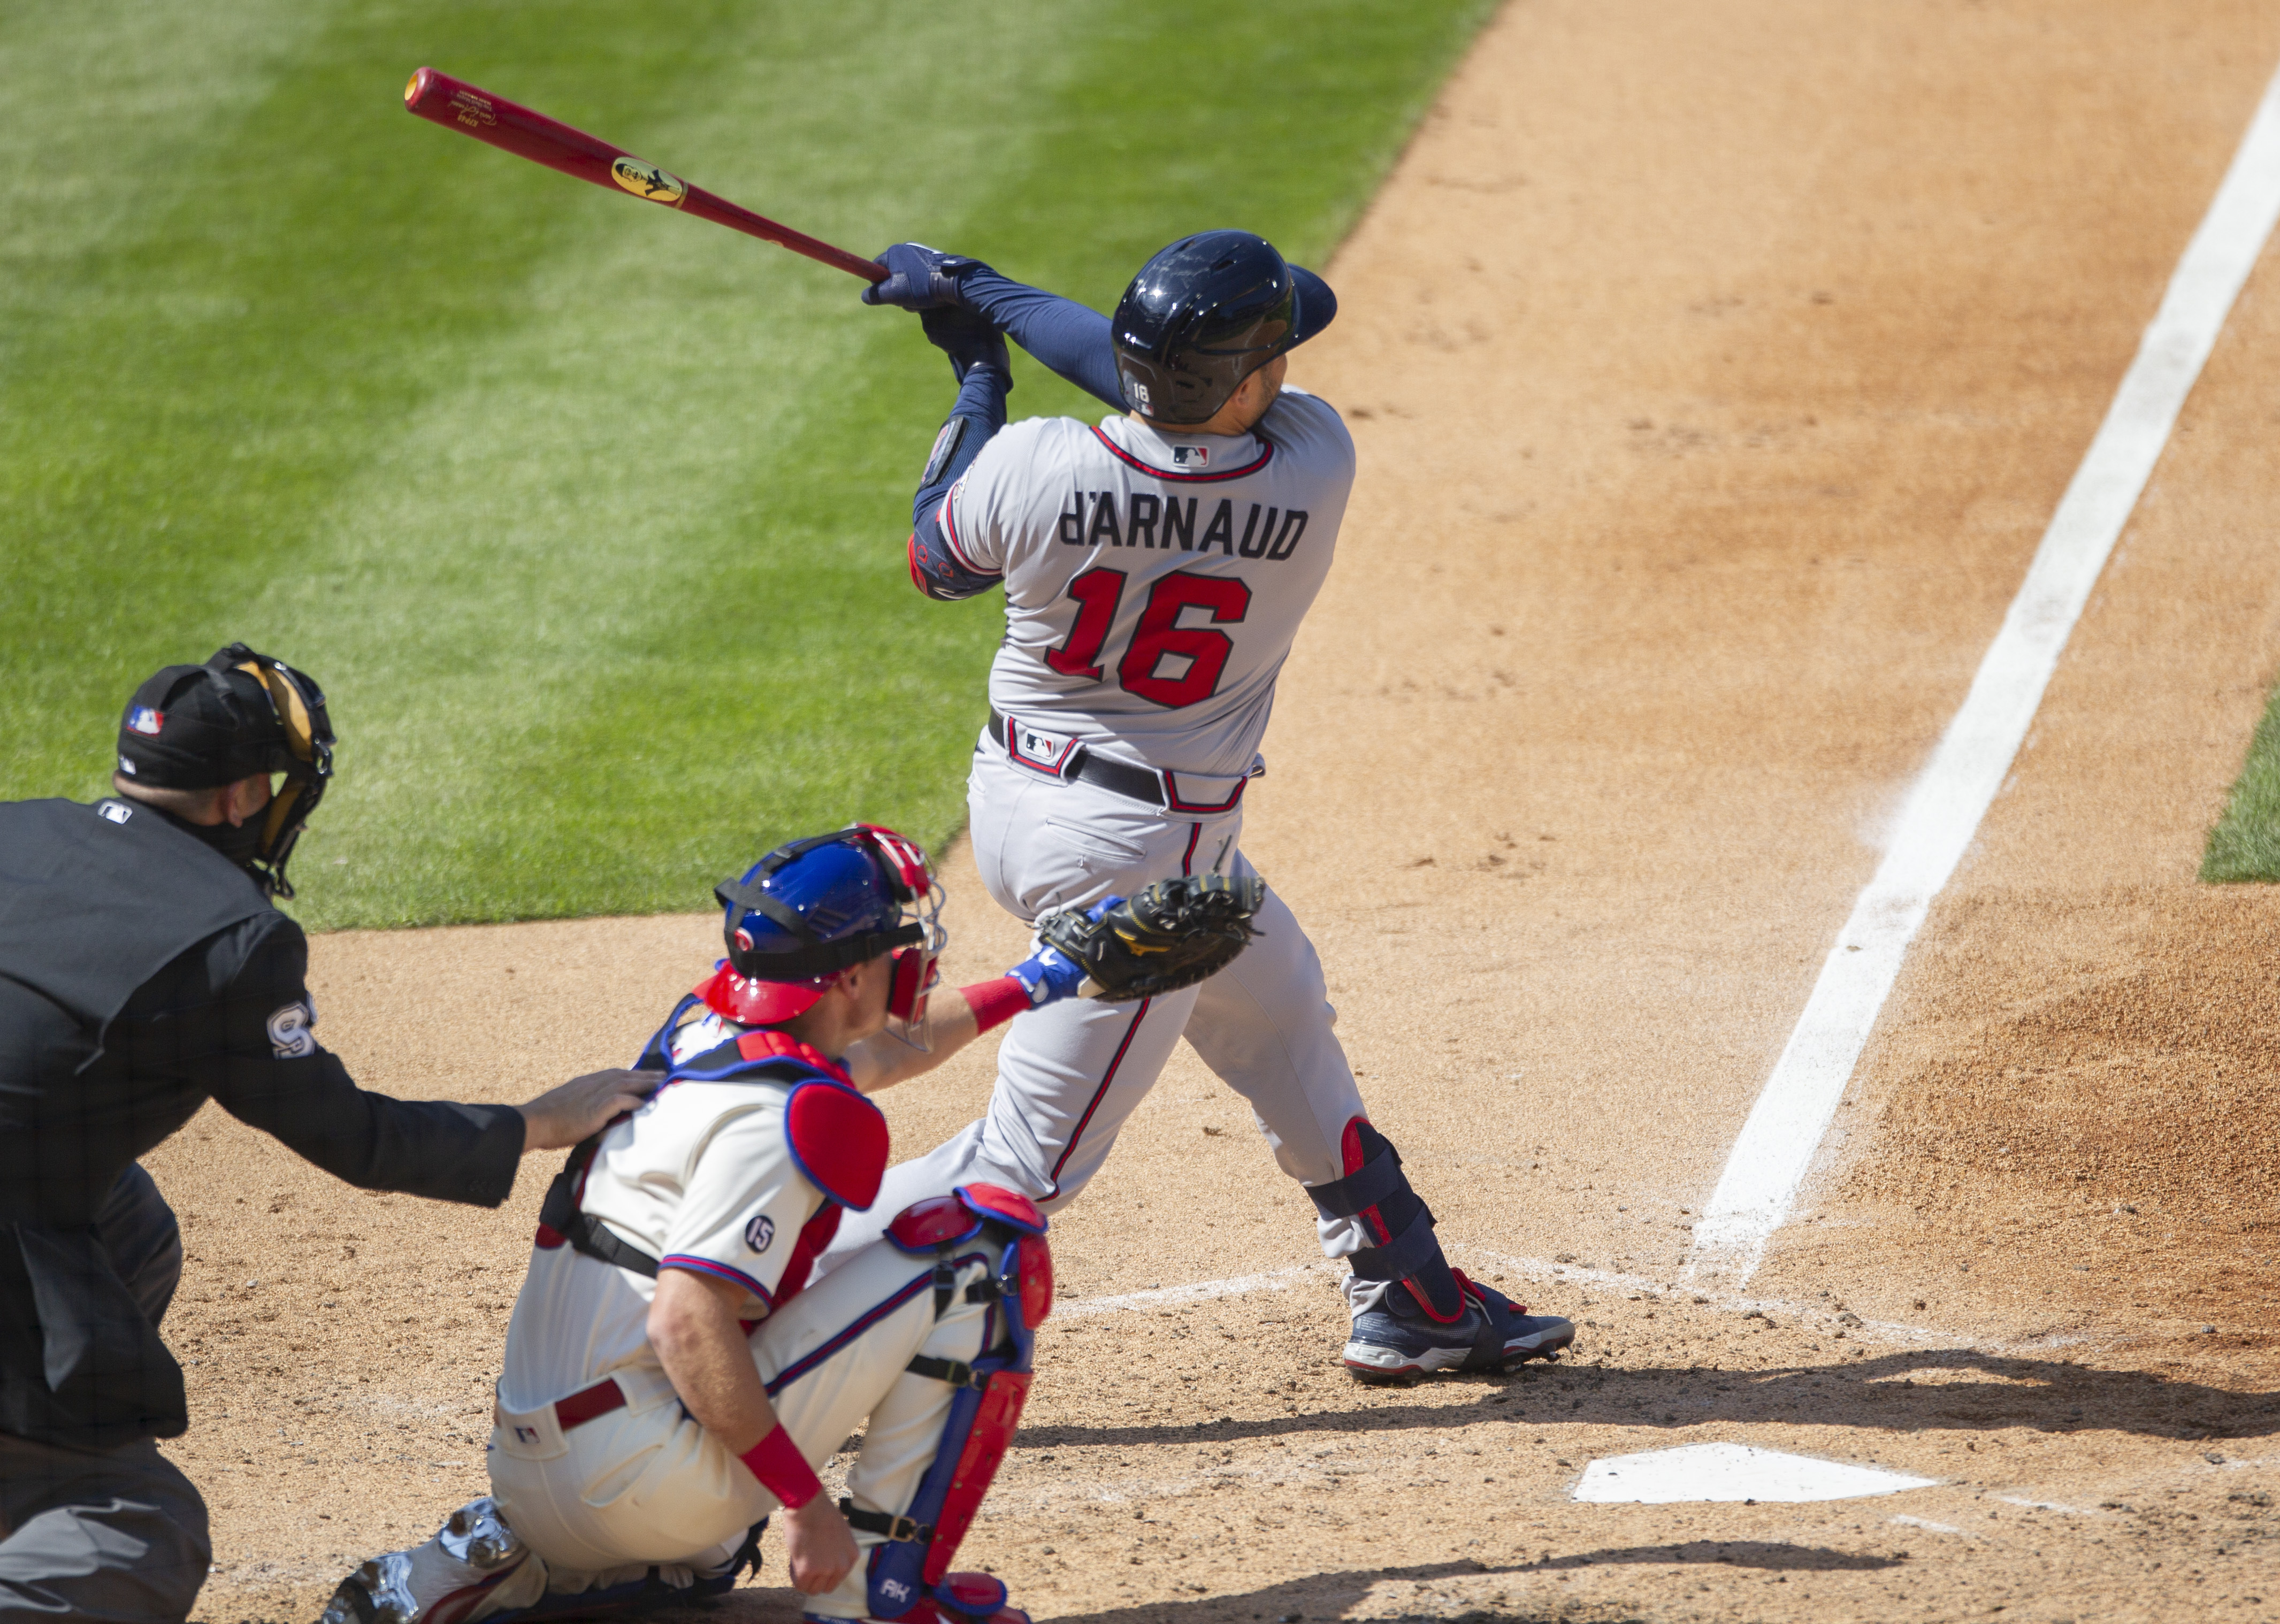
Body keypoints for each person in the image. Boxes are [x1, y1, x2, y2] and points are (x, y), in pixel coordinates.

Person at [835, 233, 1575, 1382]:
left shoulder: (1033, 465)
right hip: (1147, 854)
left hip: (1023, 809)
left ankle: (1407, 1288)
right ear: (1244, 382)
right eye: (1275, 351)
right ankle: (752, 1293)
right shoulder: (1313, 461)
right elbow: (1123, 369)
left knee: (1279, 1007)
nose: (1288, 367)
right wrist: (991, 290)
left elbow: (940, 559)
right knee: (1030, 1163)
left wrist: (974, 357)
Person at [0, 644, 650, 1624]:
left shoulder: (19, 831)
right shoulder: (228, 940)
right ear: (247, 794)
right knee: (135, 1529)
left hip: (32, 1193)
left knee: (125, 1219)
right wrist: (540, 1121)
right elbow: (357, 1139)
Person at [321, 826, 1089, 1624]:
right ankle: (878, 1601)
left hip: (534, 1482)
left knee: (732, 1393)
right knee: (981, 1251)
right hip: (633, 1484)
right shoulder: (774, 1116)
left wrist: (1041, 980)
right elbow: (684, 1322)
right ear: (851, 977)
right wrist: (806, 1505)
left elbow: (889, 1054)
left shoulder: (706, 1040)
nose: (912, 956)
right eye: (897, 940)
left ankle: (526, 1568)